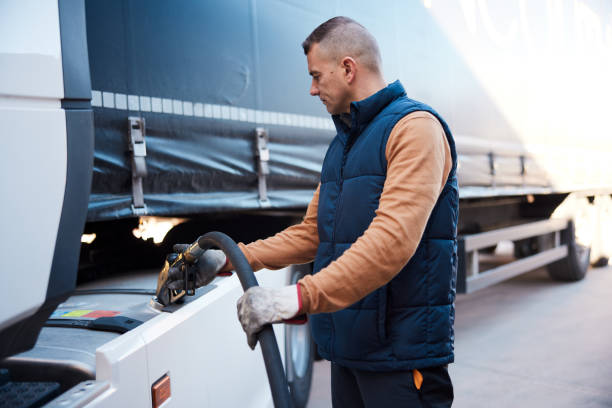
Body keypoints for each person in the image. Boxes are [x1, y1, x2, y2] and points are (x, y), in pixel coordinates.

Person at [168, 16, 458, 407]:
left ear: (349, 68)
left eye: (317, 76)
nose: (311, 89)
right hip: (350, 351)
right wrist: (232, 259)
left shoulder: (414, 129)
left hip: (402, 359)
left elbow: (392, 242)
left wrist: (297, 298)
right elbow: (313, 233)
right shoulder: (345, 144)